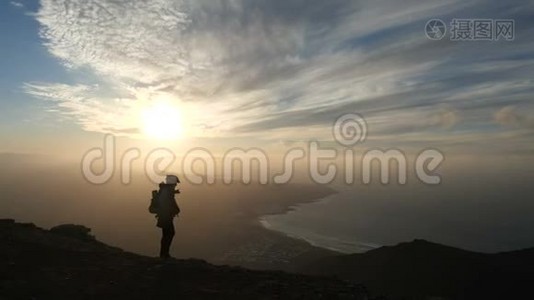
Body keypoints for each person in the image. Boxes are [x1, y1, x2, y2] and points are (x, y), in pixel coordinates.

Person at [154, 175, 181, 259]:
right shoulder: (166, 192)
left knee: (167, 234)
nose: (176, 185)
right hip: (166, 217)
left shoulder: (166, 190)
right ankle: (164, 254)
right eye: (175, 183)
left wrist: (174, 192)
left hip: (165, 216)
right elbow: (165, 202)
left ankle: (164, 254)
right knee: (169, 234)